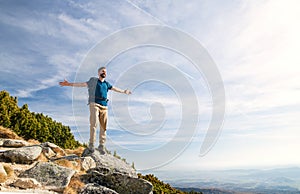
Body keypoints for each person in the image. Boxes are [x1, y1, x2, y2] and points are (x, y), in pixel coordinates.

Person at [59, 67, 131, 154]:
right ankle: (91, 144)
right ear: (98, 73)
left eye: (105, 72)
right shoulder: (93, 81)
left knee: (103, 126)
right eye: (102, 71)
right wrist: (69, 84)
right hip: (94, 104)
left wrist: (124, 91)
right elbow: (82, 84)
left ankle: (101, 145)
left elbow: (115, 89)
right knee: (94, 123)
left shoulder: (106, 84)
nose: (104, 72)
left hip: (104, 106)